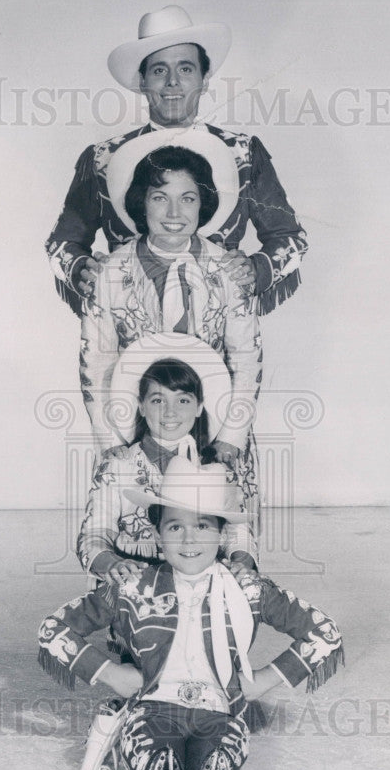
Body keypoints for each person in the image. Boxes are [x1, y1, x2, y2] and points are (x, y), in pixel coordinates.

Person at [37, 455, 343, 770]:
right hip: (154, 706)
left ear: (221, 534)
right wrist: (112, 674)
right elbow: (54, 629)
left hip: (219, 709)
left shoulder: (247, 588)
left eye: (203, 525)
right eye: (175, 526)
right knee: (153, 752)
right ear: (158, 534)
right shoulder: (133, 586)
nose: (188, 539)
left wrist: (263, 681)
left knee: (216, 754)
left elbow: (324, 632)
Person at [46, 5, 308, 319]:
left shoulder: (244, 154)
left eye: (185, 69)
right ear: (142, 81)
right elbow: (64, 242)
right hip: (126, 333)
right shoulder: (103, 158)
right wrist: (81, 271)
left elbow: (290, 237)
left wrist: (256, 270)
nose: (173, 82)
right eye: (159, 70)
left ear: (204, 78)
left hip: (223, 334)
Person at [80, 144, 262, 527]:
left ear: (204, 204)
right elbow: (97, 362)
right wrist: (111, 438)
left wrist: (231, 436)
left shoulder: (229, 271)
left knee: (217, 531)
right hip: (136, 426)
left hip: (215, 424)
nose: (174, 214)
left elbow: (245, 358)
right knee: (136, 527)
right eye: (160, 198)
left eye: (188, 198)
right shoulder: (111, 272)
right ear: (140, 203)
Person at [78, 333, 259, 592]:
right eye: (158, 400)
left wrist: (241, 561)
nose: (170, 412)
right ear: (141, 406)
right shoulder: (118, 467)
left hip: (203, 587)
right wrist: (111, 564)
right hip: (135, 587)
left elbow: (238, 532)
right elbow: (94, 533)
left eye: (183, 400)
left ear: (199, 407)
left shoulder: (219, 469)